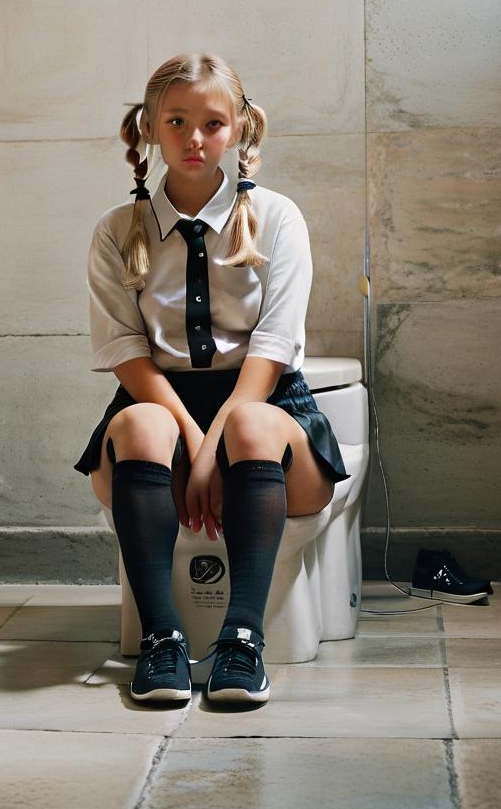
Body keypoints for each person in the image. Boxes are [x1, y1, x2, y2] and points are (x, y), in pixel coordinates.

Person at [72, 52, 349, 705]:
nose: (194, 139)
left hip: (269, 416)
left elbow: (273, 353)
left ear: (240, 129)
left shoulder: (278, 219)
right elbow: (127, 356)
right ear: (148, 128)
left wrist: (216, 442)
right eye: (176, 121)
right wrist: (195, 444)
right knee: (141, 421)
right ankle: (162, 642)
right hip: (160, 413)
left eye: (213, 123)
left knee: (250, 422)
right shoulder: (116, 232)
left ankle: (242, 641)